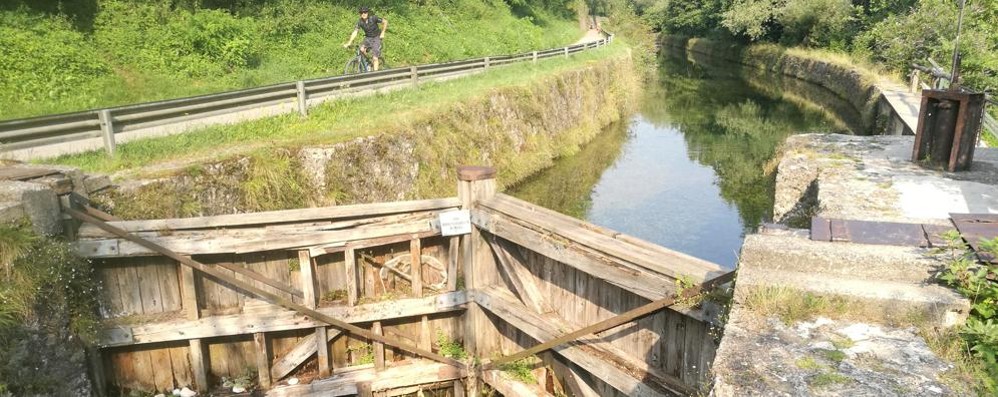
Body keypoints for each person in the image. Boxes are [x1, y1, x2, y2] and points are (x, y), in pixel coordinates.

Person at [343, 6, 388, 71]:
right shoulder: (360, 22)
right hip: (368, 38)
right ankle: (368, 62)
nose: (363, 14)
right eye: (361, 12)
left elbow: (385, 22)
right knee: (361, 49)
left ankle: (376, 76)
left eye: (365, 12)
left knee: (375, 58)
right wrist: (349, 42)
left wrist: (383, 32)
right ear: (360, 14)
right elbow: (355, 32)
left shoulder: (373, 18)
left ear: (367, 13)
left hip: (376, 38)